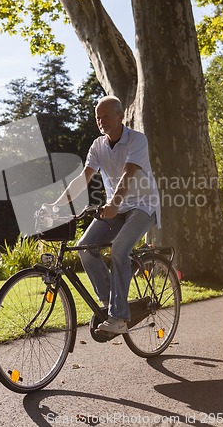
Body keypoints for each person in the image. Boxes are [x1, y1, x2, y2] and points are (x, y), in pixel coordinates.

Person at [50, 96, 161, 334]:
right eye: (98, 118)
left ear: (121, 117)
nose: (101, 122)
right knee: (85, 248)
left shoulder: (137, 140)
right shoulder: (98, 145)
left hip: (143, 205)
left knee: (120, 249)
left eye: (106, 117)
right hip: (116, 208)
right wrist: (57, 205)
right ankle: (112, 304)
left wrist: (114, 202)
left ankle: (119, 318)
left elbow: (128, 174)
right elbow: (83, 179)